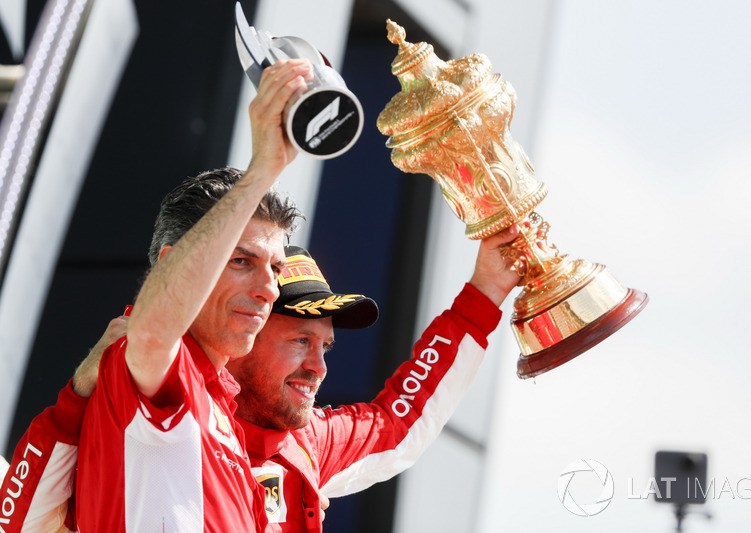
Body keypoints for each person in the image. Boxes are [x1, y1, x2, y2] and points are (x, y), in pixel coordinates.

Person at [1, 230, 520, 532]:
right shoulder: (149, 406)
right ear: (243, 331)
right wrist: (80, 396)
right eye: (300, 341)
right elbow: (17, 520)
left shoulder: (304, 443)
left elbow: (396, 421)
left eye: (325, 347)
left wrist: (485, 293)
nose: (319, 367)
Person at [1, 57, 311, 533]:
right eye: (241, 261)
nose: (269, 287)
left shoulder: (224, 404)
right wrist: (263, 169)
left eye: (275, 268)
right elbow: (151, 333)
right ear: (170, 263)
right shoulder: (154, 362)